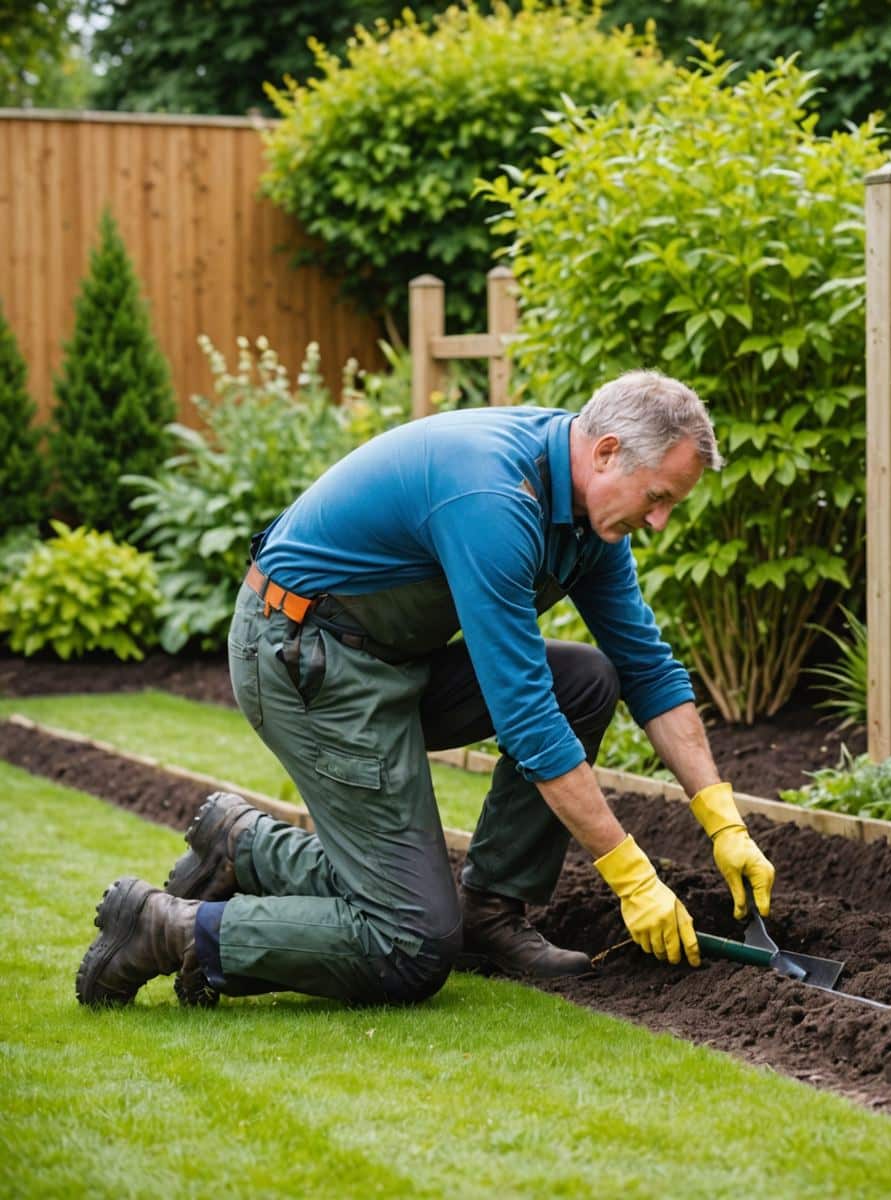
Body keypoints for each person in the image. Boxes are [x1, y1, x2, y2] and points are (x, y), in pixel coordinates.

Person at [77, 369, 776, 1009]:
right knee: (407, 945)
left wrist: (724, 822)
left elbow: (648, 668)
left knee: (588, 681)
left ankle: (481, 913)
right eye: (658, 497)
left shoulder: (589, 519)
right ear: (606, 453)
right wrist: (631, 876)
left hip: (387, 657)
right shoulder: (493, 498)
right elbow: (526, 716)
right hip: (301, 659)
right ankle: (167, 927)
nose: (659, 521)